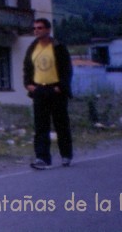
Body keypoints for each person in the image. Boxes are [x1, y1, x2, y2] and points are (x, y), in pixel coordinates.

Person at [23, 17, 74, 169]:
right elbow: (27, 67)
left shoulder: (58, 47)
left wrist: (61, 87)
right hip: (39, 90)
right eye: (35, 28)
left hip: (55, 90)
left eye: (39, 28)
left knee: (61, 124)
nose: (36, 31)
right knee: (40, 126)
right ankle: (42, 158)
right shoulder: (32, 47)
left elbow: (67, 69)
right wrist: (28, 85)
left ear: (48, 30)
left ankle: (66, 155)